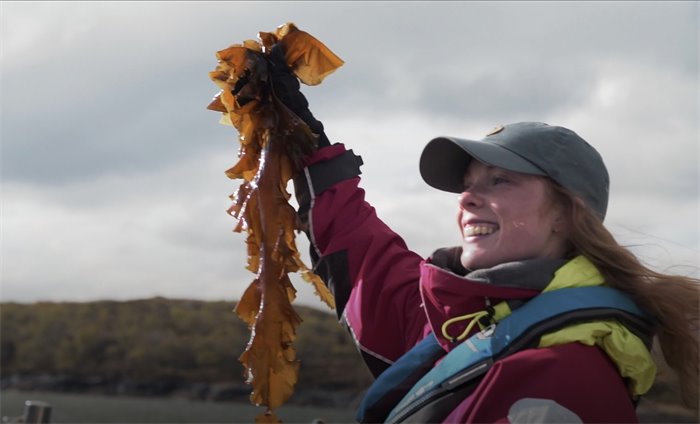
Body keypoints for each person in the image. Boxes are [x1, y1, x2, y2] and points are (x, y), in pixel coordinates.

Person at [264, 47, 699, 423]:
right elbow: (368, 260)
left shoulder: (564, 379)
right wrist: (306, 144)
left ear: (566, 214)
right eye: (469, 183)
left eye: (500, 181)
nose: (467, 198)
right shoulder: (463, 321)